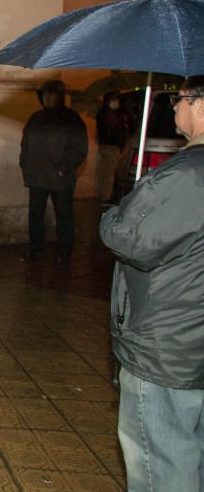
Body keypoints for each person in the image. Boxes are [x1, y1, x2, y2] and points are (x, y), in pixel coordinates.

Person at [100, 76, 204, 491]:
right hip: (193, 334)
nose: (175, 107)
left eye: (179, 99)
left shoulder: (189, 175)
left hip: (170, 343)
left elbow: (129, 237)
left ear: (200, 106)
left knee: (161, 462)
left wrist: (119, 208)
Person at [19, 80, 87, 262]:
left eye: (51, 94)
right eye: (45, 94)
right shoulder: (35, 118)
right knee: (35, 214)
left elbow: (79, 148)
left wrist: (64, 168)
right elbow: (25, 144)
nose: (48, 98)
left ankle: (65, 251)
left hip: (59, 178)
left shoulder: (71, 119)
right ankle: (36, 247)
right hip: (37, 175)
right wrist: (25, 164)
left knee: (63, 214)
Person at [94, 91, 130, 204]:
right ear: (110, 100)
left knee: (103, 172)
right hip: (111, 146)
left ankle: (101, 195)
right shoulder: (110, 115)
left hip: (104, 145)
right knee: (109, 173)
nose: (117, 102)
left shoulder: (102, 113)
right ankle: (105, 197)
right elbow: (116, 130)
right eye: (116, 99)